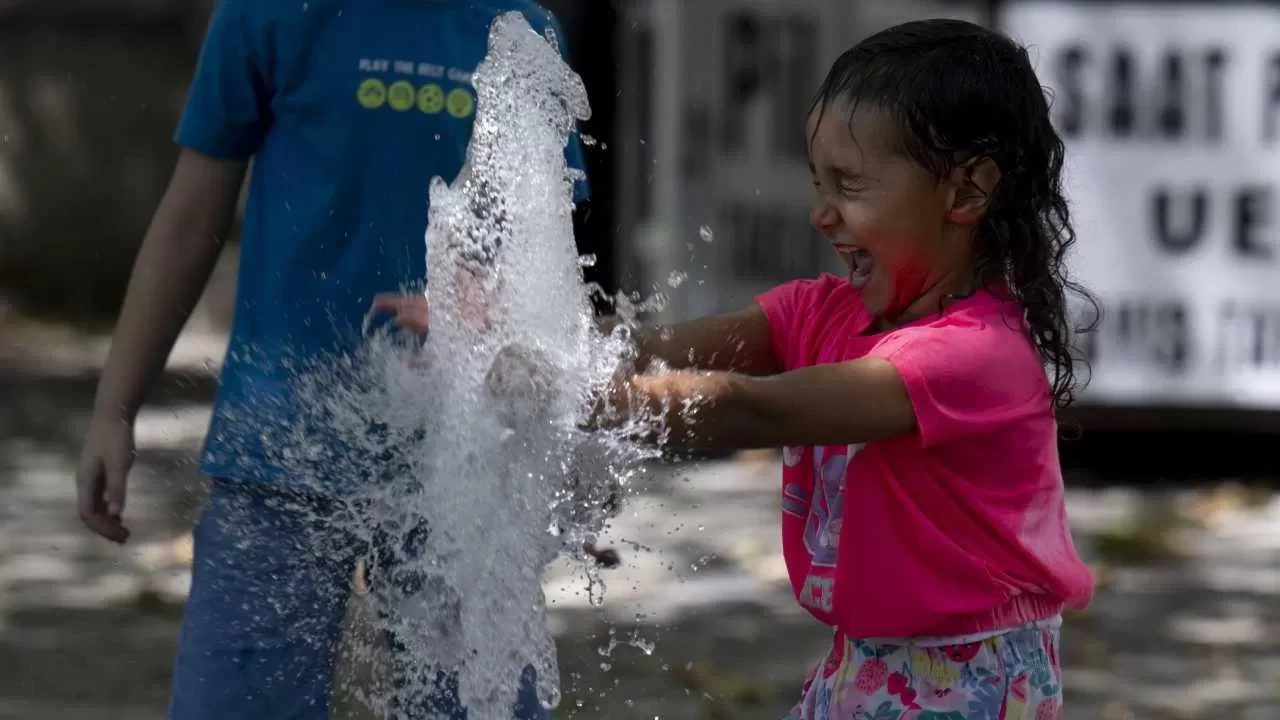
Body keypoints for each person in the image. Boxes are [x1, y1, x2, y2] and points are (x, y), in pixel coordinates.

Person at [388, 17, 1095, 720]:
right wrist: (508, 329)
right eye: (818, 182)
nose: (821, 214)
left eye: (849, 185)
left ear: (966, 193)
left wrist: (578, 394)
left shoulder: (976, 355)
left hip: (974, 677)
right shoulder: (824, 312)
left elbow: (752, 407)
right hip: (865, 659)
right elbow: (655, 346)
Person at [73, 0, 611, 718]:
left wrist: (575, 454)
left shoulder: (521, 27)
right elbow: (189, 221)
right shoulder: (267, 13)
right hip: (281, 446)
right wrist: (115, 409)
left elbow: (547, 269)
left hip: (463, 462)